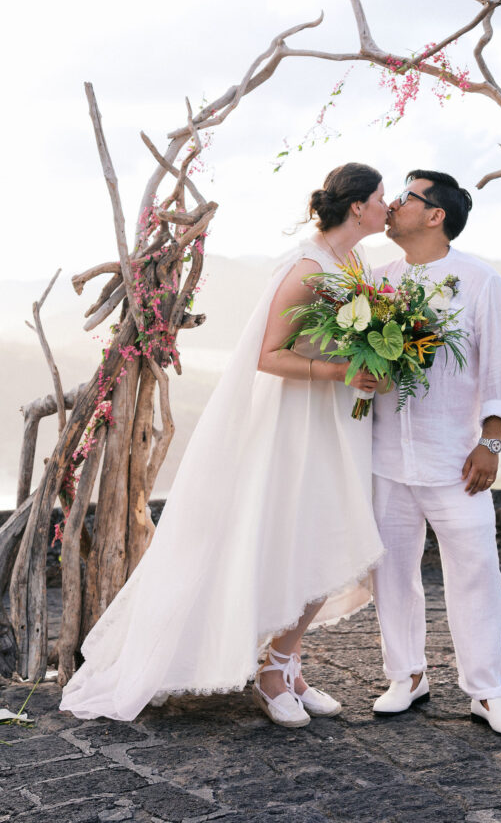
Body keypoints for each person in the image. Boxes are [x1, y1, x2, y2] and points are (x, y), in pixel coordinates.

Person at [60, 162, 388, 728]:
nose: (389, 206)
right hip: (300, 422)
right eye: (383, 197)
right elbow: (268, 355)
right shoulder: (307, 267)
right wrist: (341, 371)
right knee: (298, 532)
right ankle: (272, 670)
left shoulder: (354, 260)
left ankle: (289, 664)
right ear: (358, 206)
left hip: (340, 420)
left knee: (325, 531)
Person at [370, 169, 501, 738]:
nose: (391, 206)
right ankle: (406, 675)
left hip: (456, 460)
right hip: (384, 454)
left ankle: (487, 693)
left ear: (435, 215)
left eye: (406, 198)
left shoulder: (480, 280)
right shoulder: (378, 279)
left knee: (476, 571)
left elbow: (500, 370)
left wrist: (490, 443)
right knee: (391, 570)